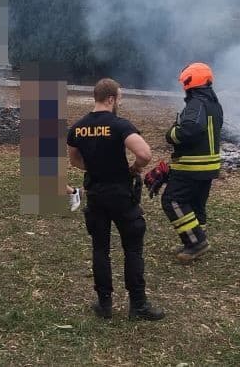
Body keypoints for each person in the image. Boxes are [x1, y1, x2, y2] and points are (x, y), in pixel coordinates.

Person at [67, 78, 164, 321]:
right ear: (111, 99)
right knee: (132, 250)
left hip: (96, 195)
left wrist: (95, 167)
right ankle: (138, 305)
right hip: (121, 196)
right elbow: (144, 154)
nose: (119, 101)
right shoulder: (119, 125)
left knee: (100, 249)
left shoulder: (78, 128)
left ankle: (104, 304)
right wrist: (133, 169)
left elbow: (74, 160)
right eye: (119, 97)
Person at [161, 62, 223, 264]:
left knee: (172, 200)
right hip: (209, 166)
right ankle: (196, 239)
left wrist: (171, 134)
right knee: (196, 203)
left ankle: (196, 242)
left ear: (190, 82)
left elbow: (191, 129)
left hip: (192, 166)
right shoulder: (214, 104)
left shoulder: (196, 104)